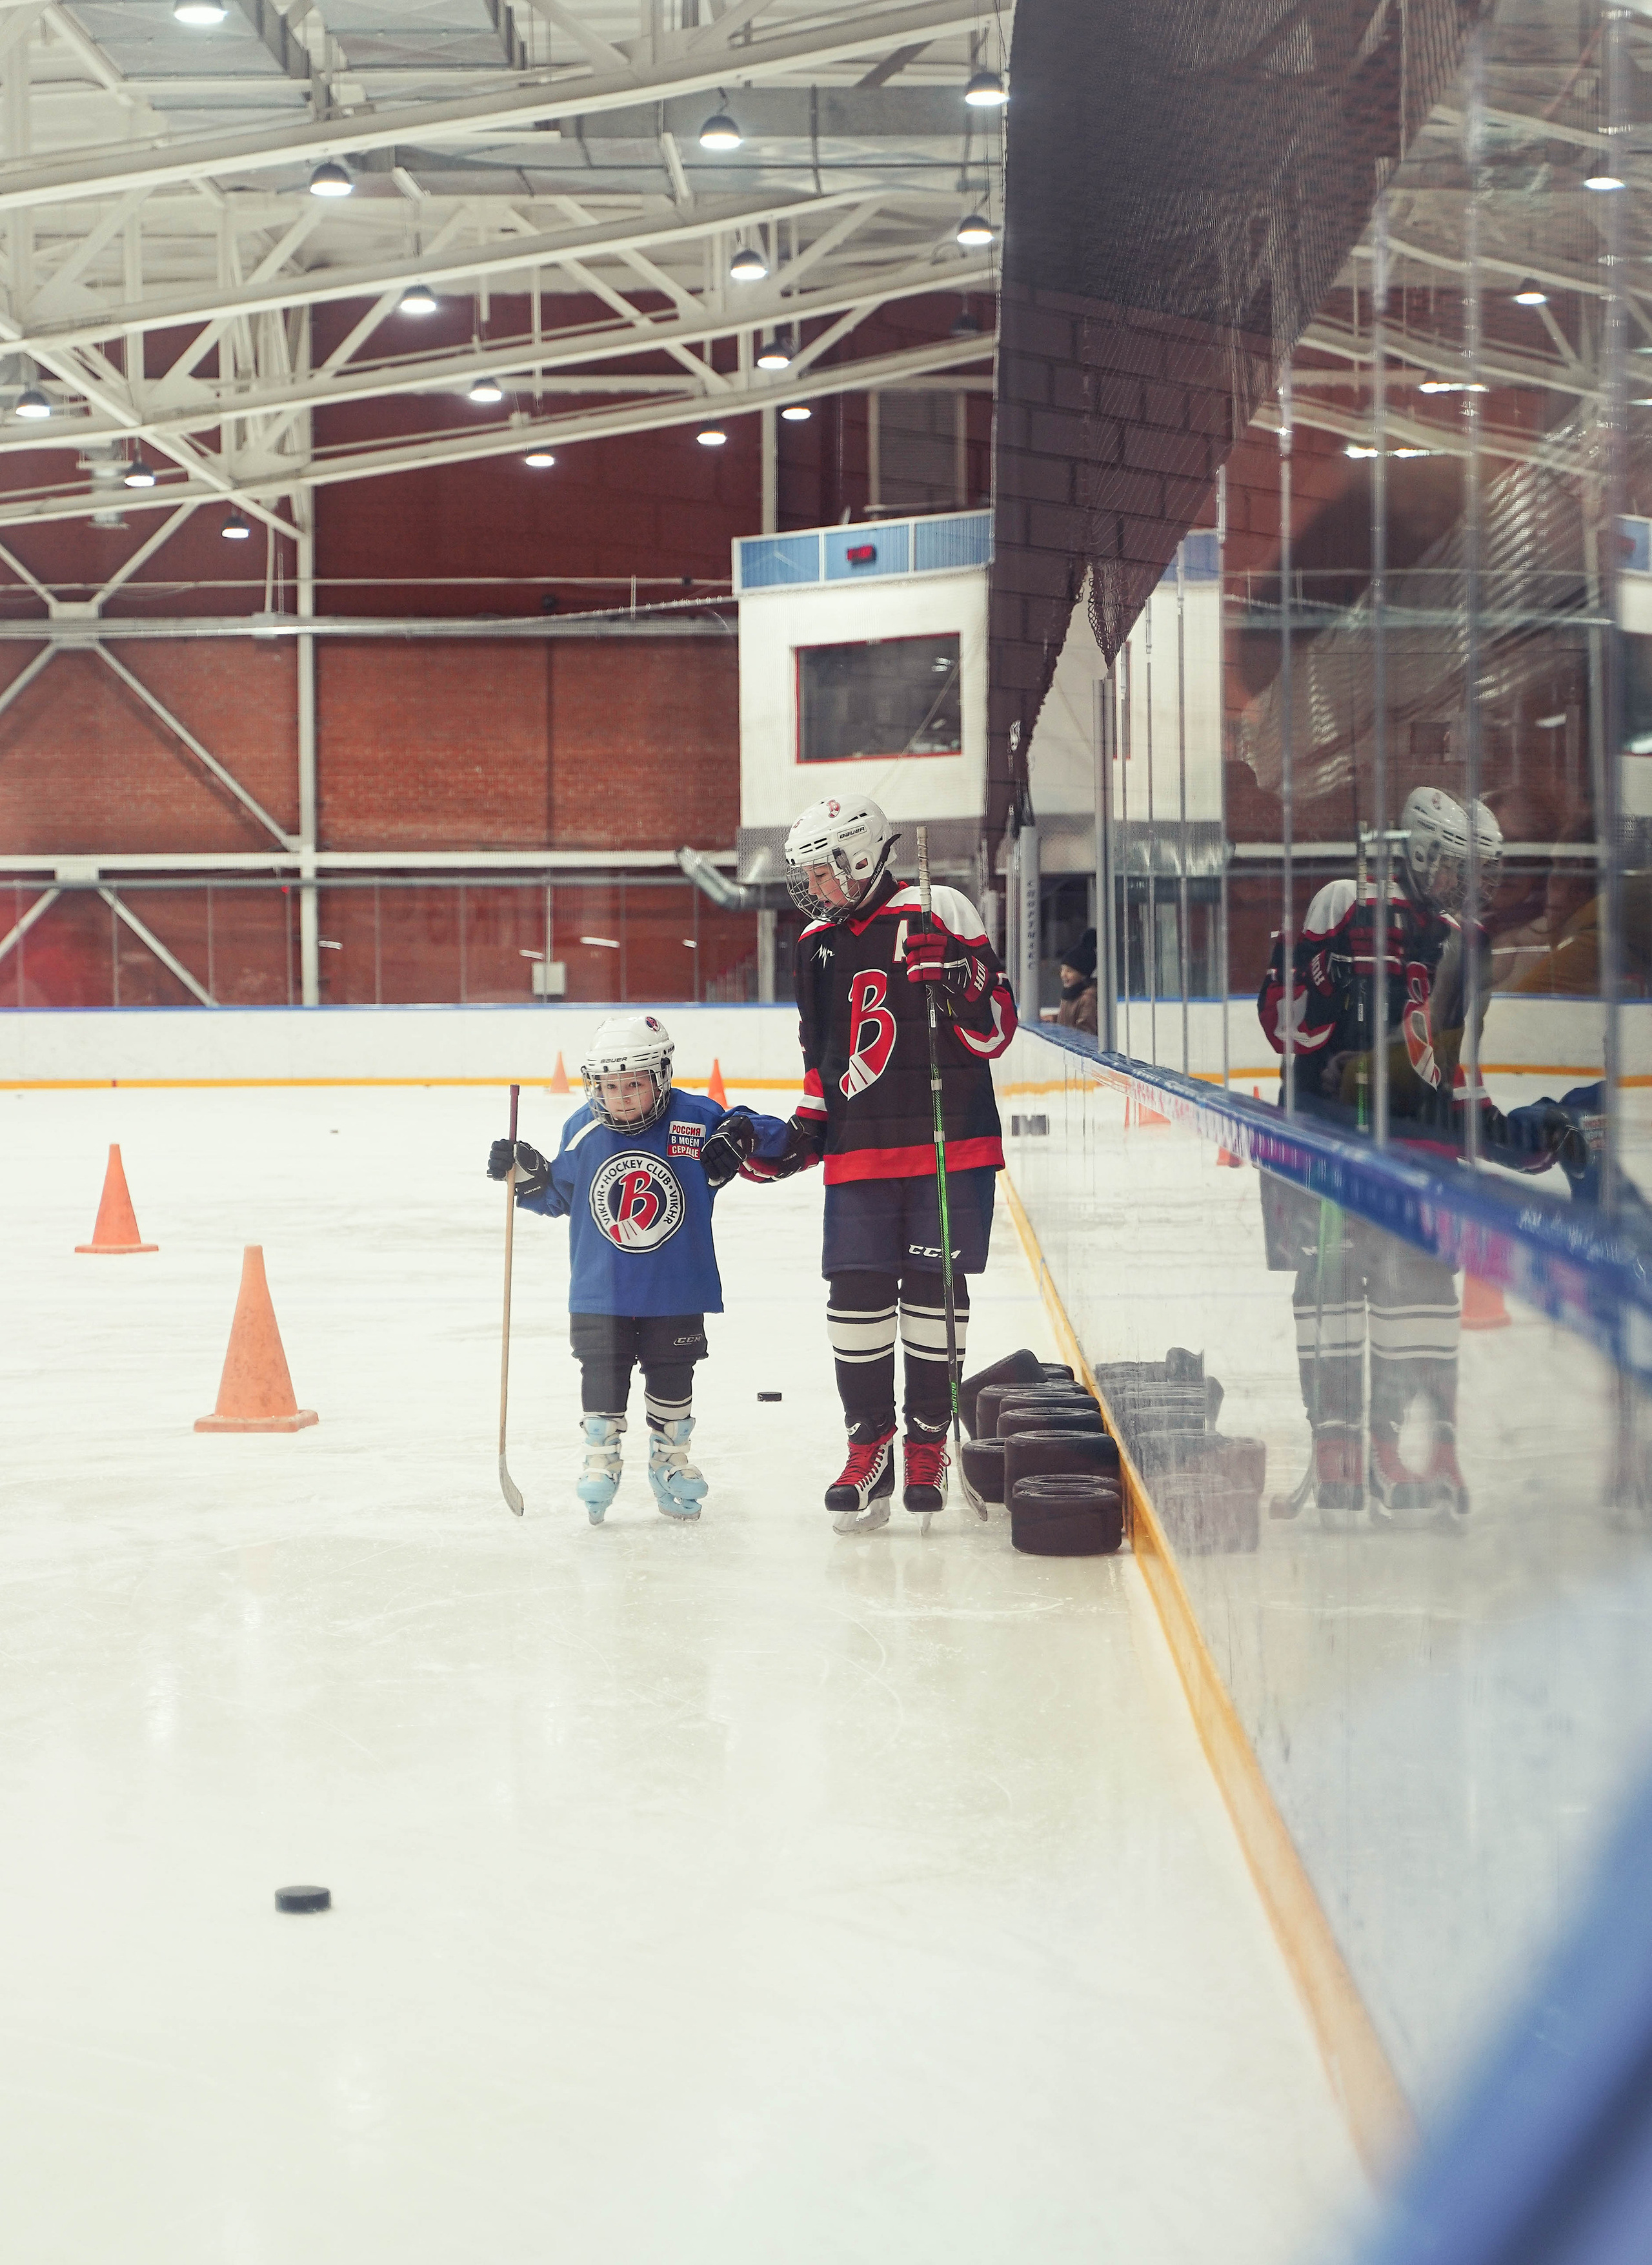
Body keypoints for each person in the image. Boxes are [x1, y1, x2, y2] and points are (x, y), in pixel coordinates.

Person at [714, 793, 1017, 1533]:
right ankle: (868, 1444)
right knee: (853, 1301)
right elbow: (822, 1071)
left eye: (819, 873)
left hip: (949, 1145)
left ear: (857, 856)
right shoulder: (814, 943)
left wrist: (956, 978)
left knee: (930, 1292)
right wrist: (779, 1146)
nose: (812, 890)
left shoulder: (939, 907)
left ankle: (925, 1444)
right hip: (860, 1153)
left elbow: (998, 1027)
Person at [1256, 787, 1556, 1526]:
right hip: (1325, 1148)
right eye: (1458, 867)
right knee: (1328, 1295)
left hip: (1417, 1164)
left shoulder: (1467, 944)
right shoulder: (1344, 904)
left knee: (1415, 1305)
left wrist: (1514, 1140)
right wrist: (1327, 978)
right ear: (1422, 852)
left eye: (1478, 872)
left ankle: (1386, 1444)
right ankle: (1334, 1440)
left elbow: (1456, 1078)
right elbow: (1284, 1027)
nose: (1470, 885)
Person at [487, 1013, 789, 1525]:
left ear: (661, 1076)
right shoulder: (580, 1128)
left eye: (634, 1084)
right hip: (599, 1291)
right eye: (609, 1085)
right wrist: (527, 1176)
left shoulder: (696, 1117)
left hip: (677, 1288)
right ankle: (600, 1457)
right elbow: (560, 1196)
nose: (621, 1096)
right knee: (601, 1373)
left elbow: (775, 1137)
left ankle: (670, 1458)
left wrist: (742, 1130)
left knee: (673, 1377)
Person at [1056, 929, 1099, 1033]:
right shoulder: (1069, 995)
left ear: (1083, 975)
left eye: (1069, 971)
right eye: (1062, 970)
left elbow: (1086, 1033)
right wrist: (1053, 1019)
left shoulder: (1088, 999)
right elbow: (1068, 1020)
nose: (1063, 975)